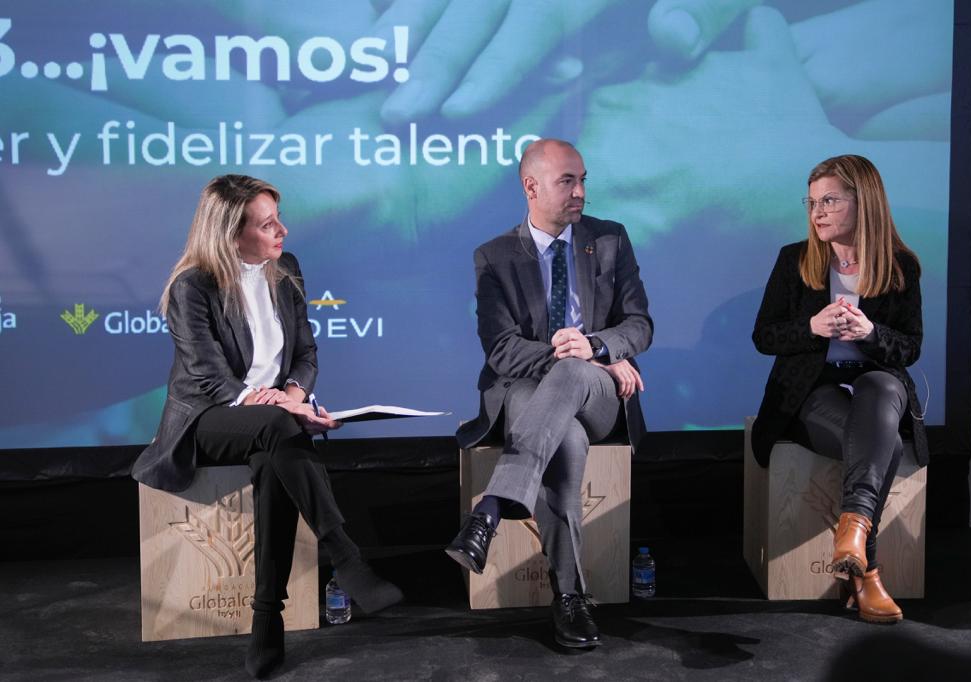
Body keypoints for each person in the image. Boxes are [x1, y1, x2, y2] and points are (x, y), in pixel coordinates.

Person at [131, 175, 402, 678]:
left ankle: (267, 618)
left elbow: (306, 354)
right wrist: (274, 406)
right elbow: (208, 376)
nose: (283, 230)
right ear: (231, 234)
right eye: (267, 224)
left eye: (278, 219)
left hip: (272, 423)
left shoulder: (287, 269)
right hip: (205, 421)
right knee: (278, 428)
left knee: (276, 454)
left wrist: (294, 398)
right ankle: (345, 556)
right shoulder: (193, 287)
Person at [446, 139, 653, 648]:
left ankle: (491, 508)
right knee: (565, 445)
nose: (580, 191)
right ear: (531, 187)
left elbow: (639, 324)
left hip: (598, 393)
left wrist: (597, 348)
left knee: (573, 379)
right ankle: (570, 598)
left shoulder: (610, 239)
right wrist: (569, 356)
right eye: (567, 181)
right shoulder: (494, 256)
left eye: (582, 180)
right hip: (527, 390)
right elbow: (501, 349)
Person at [751, 154, 928, 623]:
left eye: (829, 201)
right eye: (812, 203)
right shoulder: (795, 259)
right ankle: (864, 566)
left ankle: (854, 538)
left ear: (863, 201)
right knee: (885, 444)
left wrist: (870, 332)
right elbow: (764, 336)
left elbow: (910, 348)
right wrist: (812, 326)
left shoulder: (901, 266)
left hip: (876, 390)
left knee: (882, 387)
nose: (818, 213)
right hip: (813, 391)